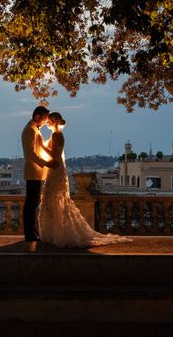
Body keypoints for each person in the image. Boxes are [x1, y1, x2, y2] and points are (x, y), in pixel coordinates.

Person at [38, 111, 130, 248]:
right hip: (55, 170)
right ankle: (53, 232)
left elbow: (55, 154)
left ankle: (56, 233)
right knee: (53, 198)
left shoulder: (57, 135)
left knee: (54, 198)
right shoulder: (56, 135)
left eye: (49, 121)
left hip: (56, 170)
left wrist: (41, 146)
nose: (47, 123)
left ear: (54, 122)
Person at [21, 106, 55, 242]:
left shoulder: (34, 129)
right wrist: (46, 163)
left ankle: (32, 232)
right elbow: (30, 154)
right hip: (33, 172)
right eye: (45, 118)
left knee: (33, 204)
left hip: (37, 172)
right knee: (31, 204)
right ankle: (29, 234)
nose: (46, 122)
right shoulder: (30, 130)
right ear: (37, 117)